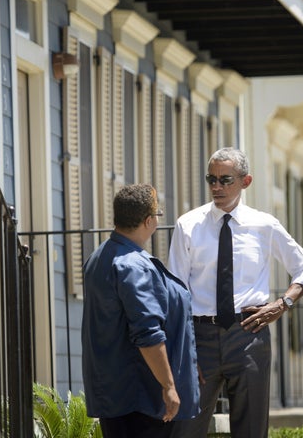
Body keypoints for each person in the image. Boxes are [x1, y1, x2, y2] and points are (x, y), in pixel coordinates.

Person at [167, 147, 303, 438]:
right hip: (200, 338)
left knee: (250, 430)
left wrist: (282, 303)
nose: (216, 186)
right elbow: (176, 292)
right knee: (184, 428)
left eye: (226, 180)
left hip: (249, 335)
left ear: (245, 182)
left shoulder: (264, 225)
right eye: (211, 179)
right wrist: (184, 352)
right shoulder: (188, 225)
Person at [82, 184, 200, 438]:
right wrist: (168, 386)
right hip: (143, 399)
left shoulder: (98, 257)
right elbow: (147, 332)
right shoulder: (134, 266)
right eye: (157, 214)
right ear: (148, 220)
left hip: (114, 394)